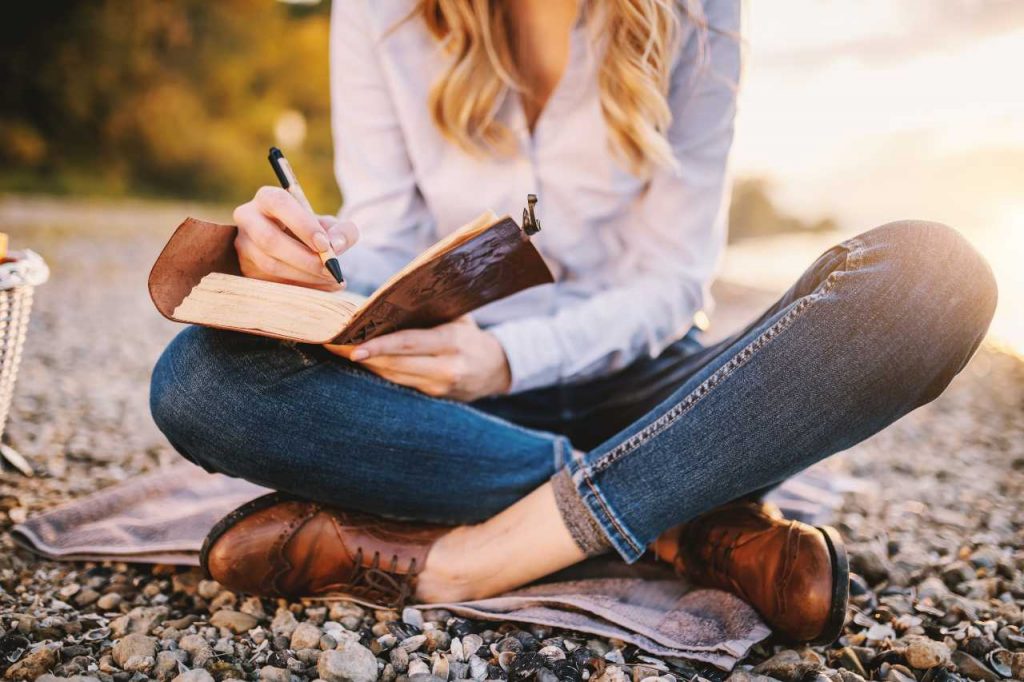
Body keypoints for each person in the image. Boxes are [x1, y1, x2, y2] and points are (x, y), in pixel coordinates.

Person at [149, 0, 997, 644]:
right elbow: (390, 242)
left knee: (935, 279)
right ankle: (681, 520)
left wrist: (509, 358)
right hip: (453, 411)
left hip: (652, 391)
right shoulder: (382, 11)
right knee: (200, 381)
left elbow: (670, 282)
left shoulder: (696, 12)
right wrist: (294, 261)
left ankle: (474, 557)